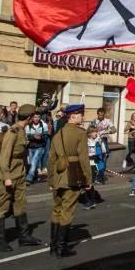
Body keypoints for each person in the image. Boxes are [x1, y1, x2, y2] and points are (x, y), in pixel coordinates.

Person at [0, 108, 43, 252]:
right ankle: (0, 241)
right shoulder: (12, 132)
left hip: (19, 174)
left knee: (20, 204)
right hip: (7, 175)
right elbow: (4, 157)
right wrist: (6, 177)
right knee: (1, 206)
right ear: (29, 117)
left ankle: (24, 237)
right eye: (33, 116)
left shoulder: (22, 130)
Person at [48, 104, 92, 258]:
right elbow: (84, 158)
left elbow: (51, 159)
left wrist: (51, 181)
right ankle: (61, 247)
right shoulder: (80, 133)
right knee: (67, 210)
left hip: (58, 175)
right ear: (73, 116)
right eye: (81, 114)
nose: (83, 117)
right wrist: (88, 179)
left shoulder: (57, 133)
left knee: (57, 209)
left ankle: (53, 246)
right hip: (73, 174)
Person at [24, 108, 49, 185]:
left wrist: (40, 137)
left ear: (40, 118)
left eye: (38, 117)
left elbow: (46, 136)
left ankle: (29, 178)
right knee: (31, 163)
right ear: (32, 118)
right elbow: (27, 136)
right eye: (35, 117)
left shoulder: (44, 125)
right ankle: (34, 176)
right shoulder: (28, 125)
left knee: (34, 162)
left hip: (40, 146)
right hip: (31, 147)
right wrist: (33, 137)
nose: (36, 119)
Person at [94, 108, 113, 182]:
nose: (101, 116)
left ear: (104, 115)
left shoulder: (107, 121)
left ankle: (101, 175)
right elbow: (89, 130)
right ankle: (98, 175)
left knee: (105, 157)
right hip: (96, 141)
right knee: (98, 158)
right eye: (99, 115)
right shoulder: (94, 121)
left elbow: (114, 129)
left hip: (104, 141)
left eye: (102, 115)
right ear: (97, 114)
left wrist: (108, 132)